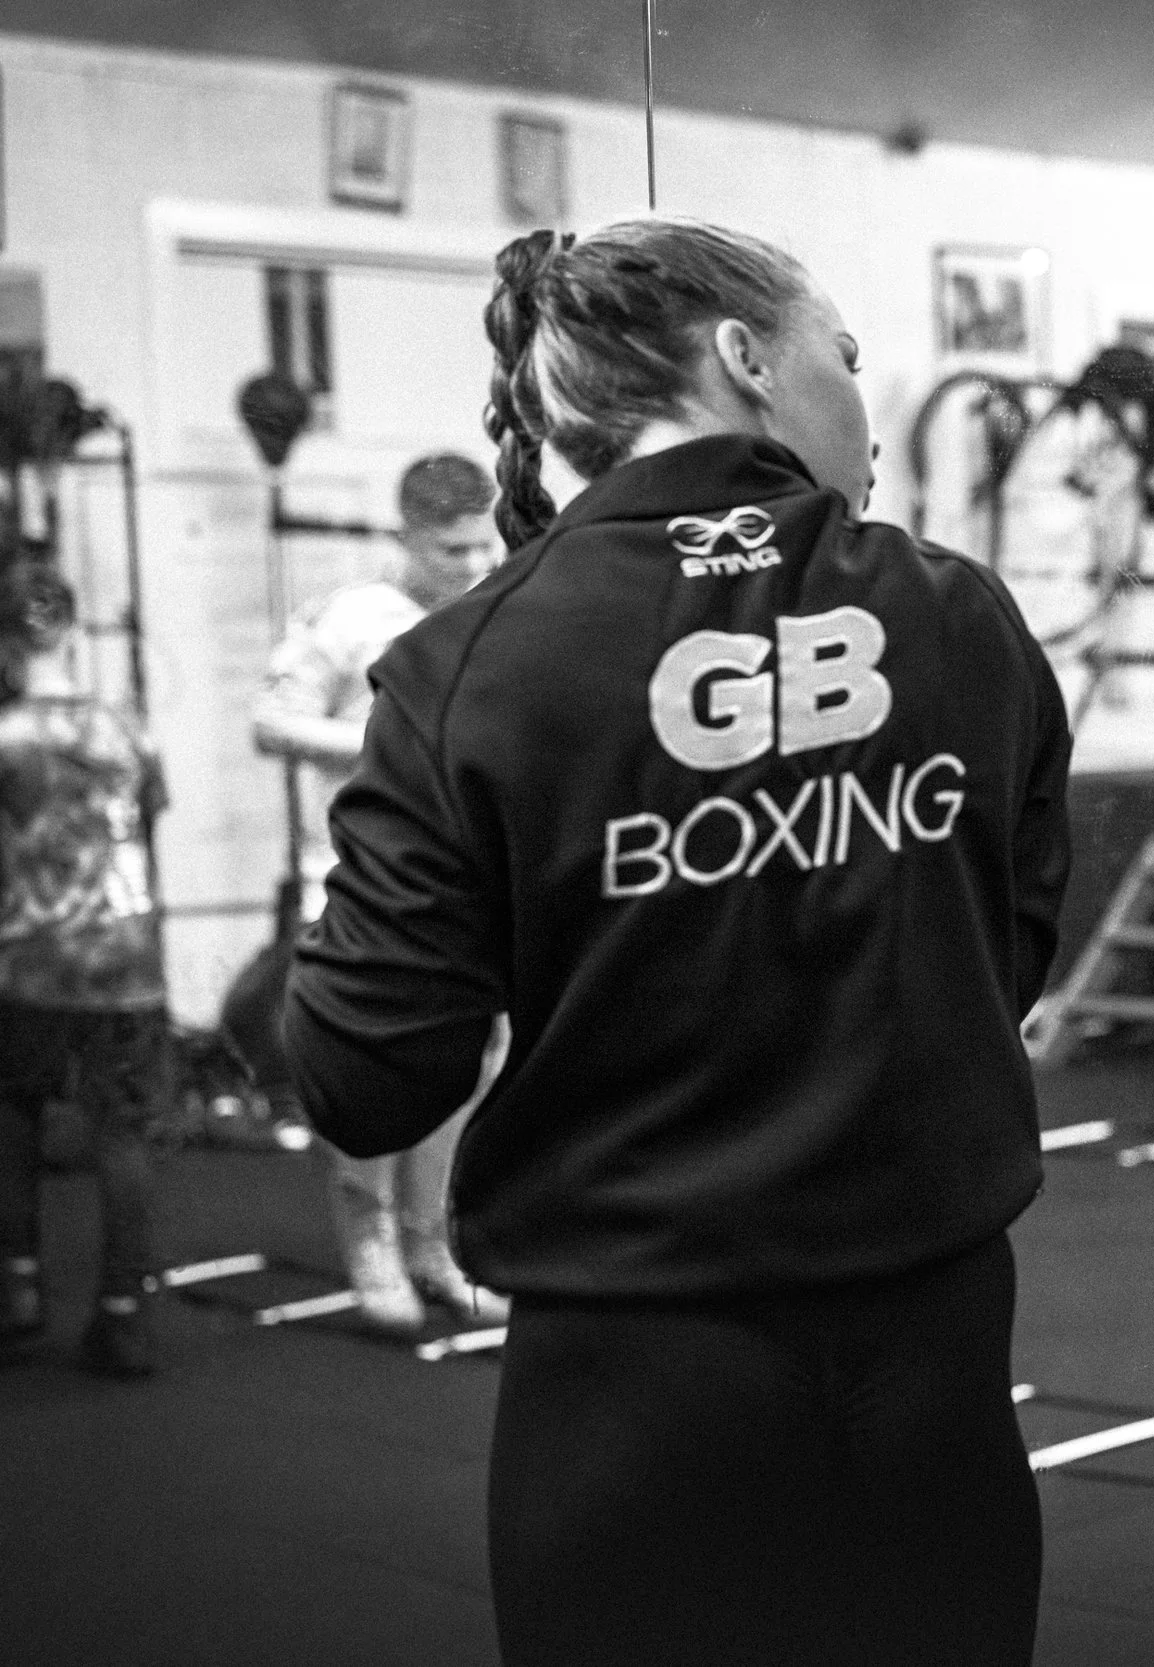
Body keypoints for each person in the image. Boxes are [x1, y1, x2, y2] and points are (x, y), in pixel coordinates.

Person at [281, 218, 1071, 1667]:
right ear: (745, 357)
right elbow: (1004, 951)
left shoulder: (470, 664)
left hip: (634, 1408)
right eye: (846, 356)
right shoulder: (959, 613)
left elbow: (366, 1077)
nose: (864, 406)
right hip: (926, 1385)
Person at [252, 453, 507, 1334]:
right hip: (357, 876)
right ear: (404, 537)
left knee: (471, 1061)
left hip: (473, 877)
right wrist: (373, 739)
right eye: (450, 549)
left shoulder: (501, 603)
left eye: (481, 544)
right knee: (370, 1063)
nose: (472, 565)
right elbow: (269, 719)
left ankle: (432, 1241)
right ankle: (370, 1244)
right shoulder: (352, 617)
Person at [0, 555, 173, 1378]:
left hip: (28, 958)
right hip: (125, 959)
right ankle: (124, 1316)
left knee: (15, 1112)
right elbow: (148, 822)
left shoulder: (7, 736)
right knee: (122, 1132)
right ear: (70, 627)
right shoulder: (127, 725)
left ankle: (21, 1287)